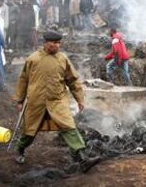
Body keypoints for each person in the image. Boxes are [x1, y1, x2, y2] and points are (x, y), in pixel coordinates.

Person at [13, 30, 100, 172]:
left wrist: (79, 99)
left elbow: (73, 80)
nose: (57, 45)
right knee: (30, 131)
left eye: (59, 42)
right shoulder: (33, 59)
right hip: (37, 101)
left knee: (68, 126)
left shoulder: (63, 59)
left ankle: (82, 157)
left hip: (57, 100)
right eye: (54, 43)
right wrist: (19, 100)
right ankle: (20, 149)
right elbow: (23, 80)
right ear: (46, 43)